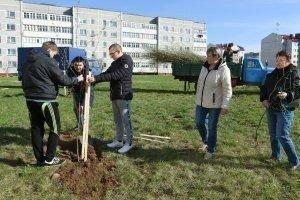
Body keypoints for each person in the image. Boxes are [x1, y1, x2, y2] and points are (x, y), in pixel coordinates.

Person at [21, 41, 83, 166]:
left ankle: (40, 160)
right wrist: (78, 79)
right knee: (55, 129)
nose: (54, 56)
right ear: (50, 50)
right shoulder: (48, 61)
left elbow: (23, 78)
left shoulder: (28, 61)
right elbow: (63, 80)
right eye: (54, 54)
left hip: (30, 100)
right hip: (46, 100)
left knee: (37, 129)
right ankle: (50, 158)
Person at [87, 44, 134, 154]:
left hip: (123, 95)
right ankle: (119, 140)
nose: (111, 56)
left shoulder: (126, 60)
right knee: (118, 120)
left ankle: (129, 143)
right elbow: (107, 73)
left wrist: (97, 78)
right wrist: (94, 79)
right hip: (115, 95)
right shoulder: (114, 63)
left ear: (118, 51)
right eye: (110, 54)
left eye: (112, 54)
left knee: (126, 120)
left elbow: (117, 75)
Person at [260, 50, 300, 171]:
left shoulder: (294, 74)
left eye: (281, 60)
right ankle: (275, 155)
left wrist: (288, 95)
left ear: (288, 61)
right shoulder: (271, 74)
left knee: (282, 135)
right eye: (277, 60)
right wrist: (264, 99)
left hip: (285, 110)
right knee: (273, 134)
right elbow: (264, 88)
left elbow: (298, 91)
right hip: (271, 108)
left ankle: (294, 162)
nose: (278, 62)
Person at [195, 46, 232, 160]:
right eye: (207, 55)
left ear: (217, 56)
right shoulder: (204, 66)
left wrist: (225, 105)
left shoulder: (223, 69)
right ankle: (206, 141)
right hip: (201, 102)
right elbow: (201, 82)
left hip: (215, 105)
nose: (208, 58)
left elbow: (227, 88)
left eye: (210, 56)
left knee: (212, 127)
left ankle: (211, 149)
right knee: (199, 123)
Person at [67, 56, 94, 131]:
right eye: (76, 65)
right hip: (76, 91)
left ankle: (84, 128)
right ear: (73, 64)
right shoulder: (70, 70)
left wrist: (82, 103)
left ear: (83, 65)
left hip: (87, 92)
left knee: (84, 109)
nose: (78, 67)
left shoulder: (87, 72)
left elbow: (90, 89)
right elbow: (68, 81)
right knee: (76, 109)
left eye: (80, 65)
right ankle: (79, 124)